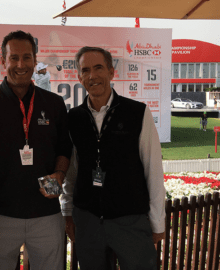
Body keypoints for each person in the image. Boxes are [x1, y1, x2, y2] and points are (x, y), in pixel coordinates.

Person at [0, 30, 72, 270]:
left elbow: (64, 148)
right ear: (2, 61)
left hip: (46, 215)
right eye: (13, 58)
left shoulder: (53, 104)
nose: (20, 64)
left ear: (35, 61)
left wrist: (59, 175)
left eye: (27, 58)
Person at [62, 46, 166, 269]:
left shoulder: (137, 113)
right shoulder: (74, 118)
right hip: (88, 222)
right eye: (86, 70)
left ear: (111, 71)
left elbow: (153, 169)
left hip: (130, 222)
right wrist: (68, 212)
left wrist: (157, 222)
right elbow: (71, 172)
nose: (93, 76)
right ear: (79, 77)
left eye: (98, 68)